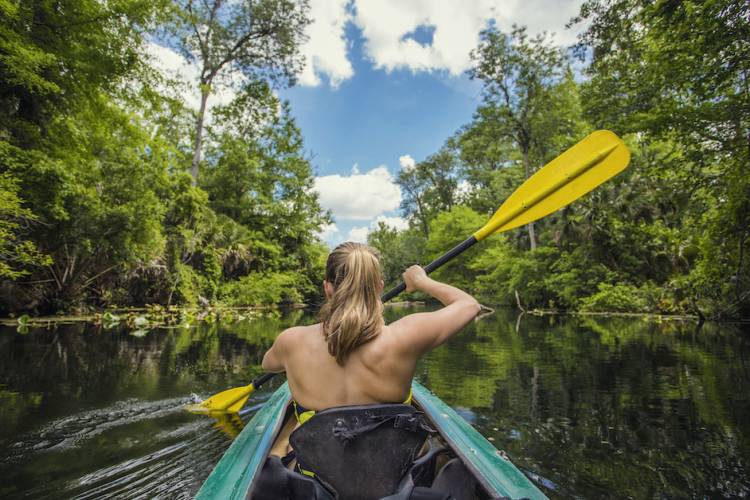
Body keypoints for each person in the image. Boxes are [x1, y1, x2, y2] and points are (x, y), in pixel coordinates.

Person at [261, 241, 480, 426]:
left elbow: (268, 365)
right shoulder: (405, 337)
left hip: (314, 475)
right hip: (393, 473)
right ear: (379, 288)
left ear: (327, 288)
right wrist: (422, 281)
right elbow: (469, 305)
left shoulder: (291, 341)